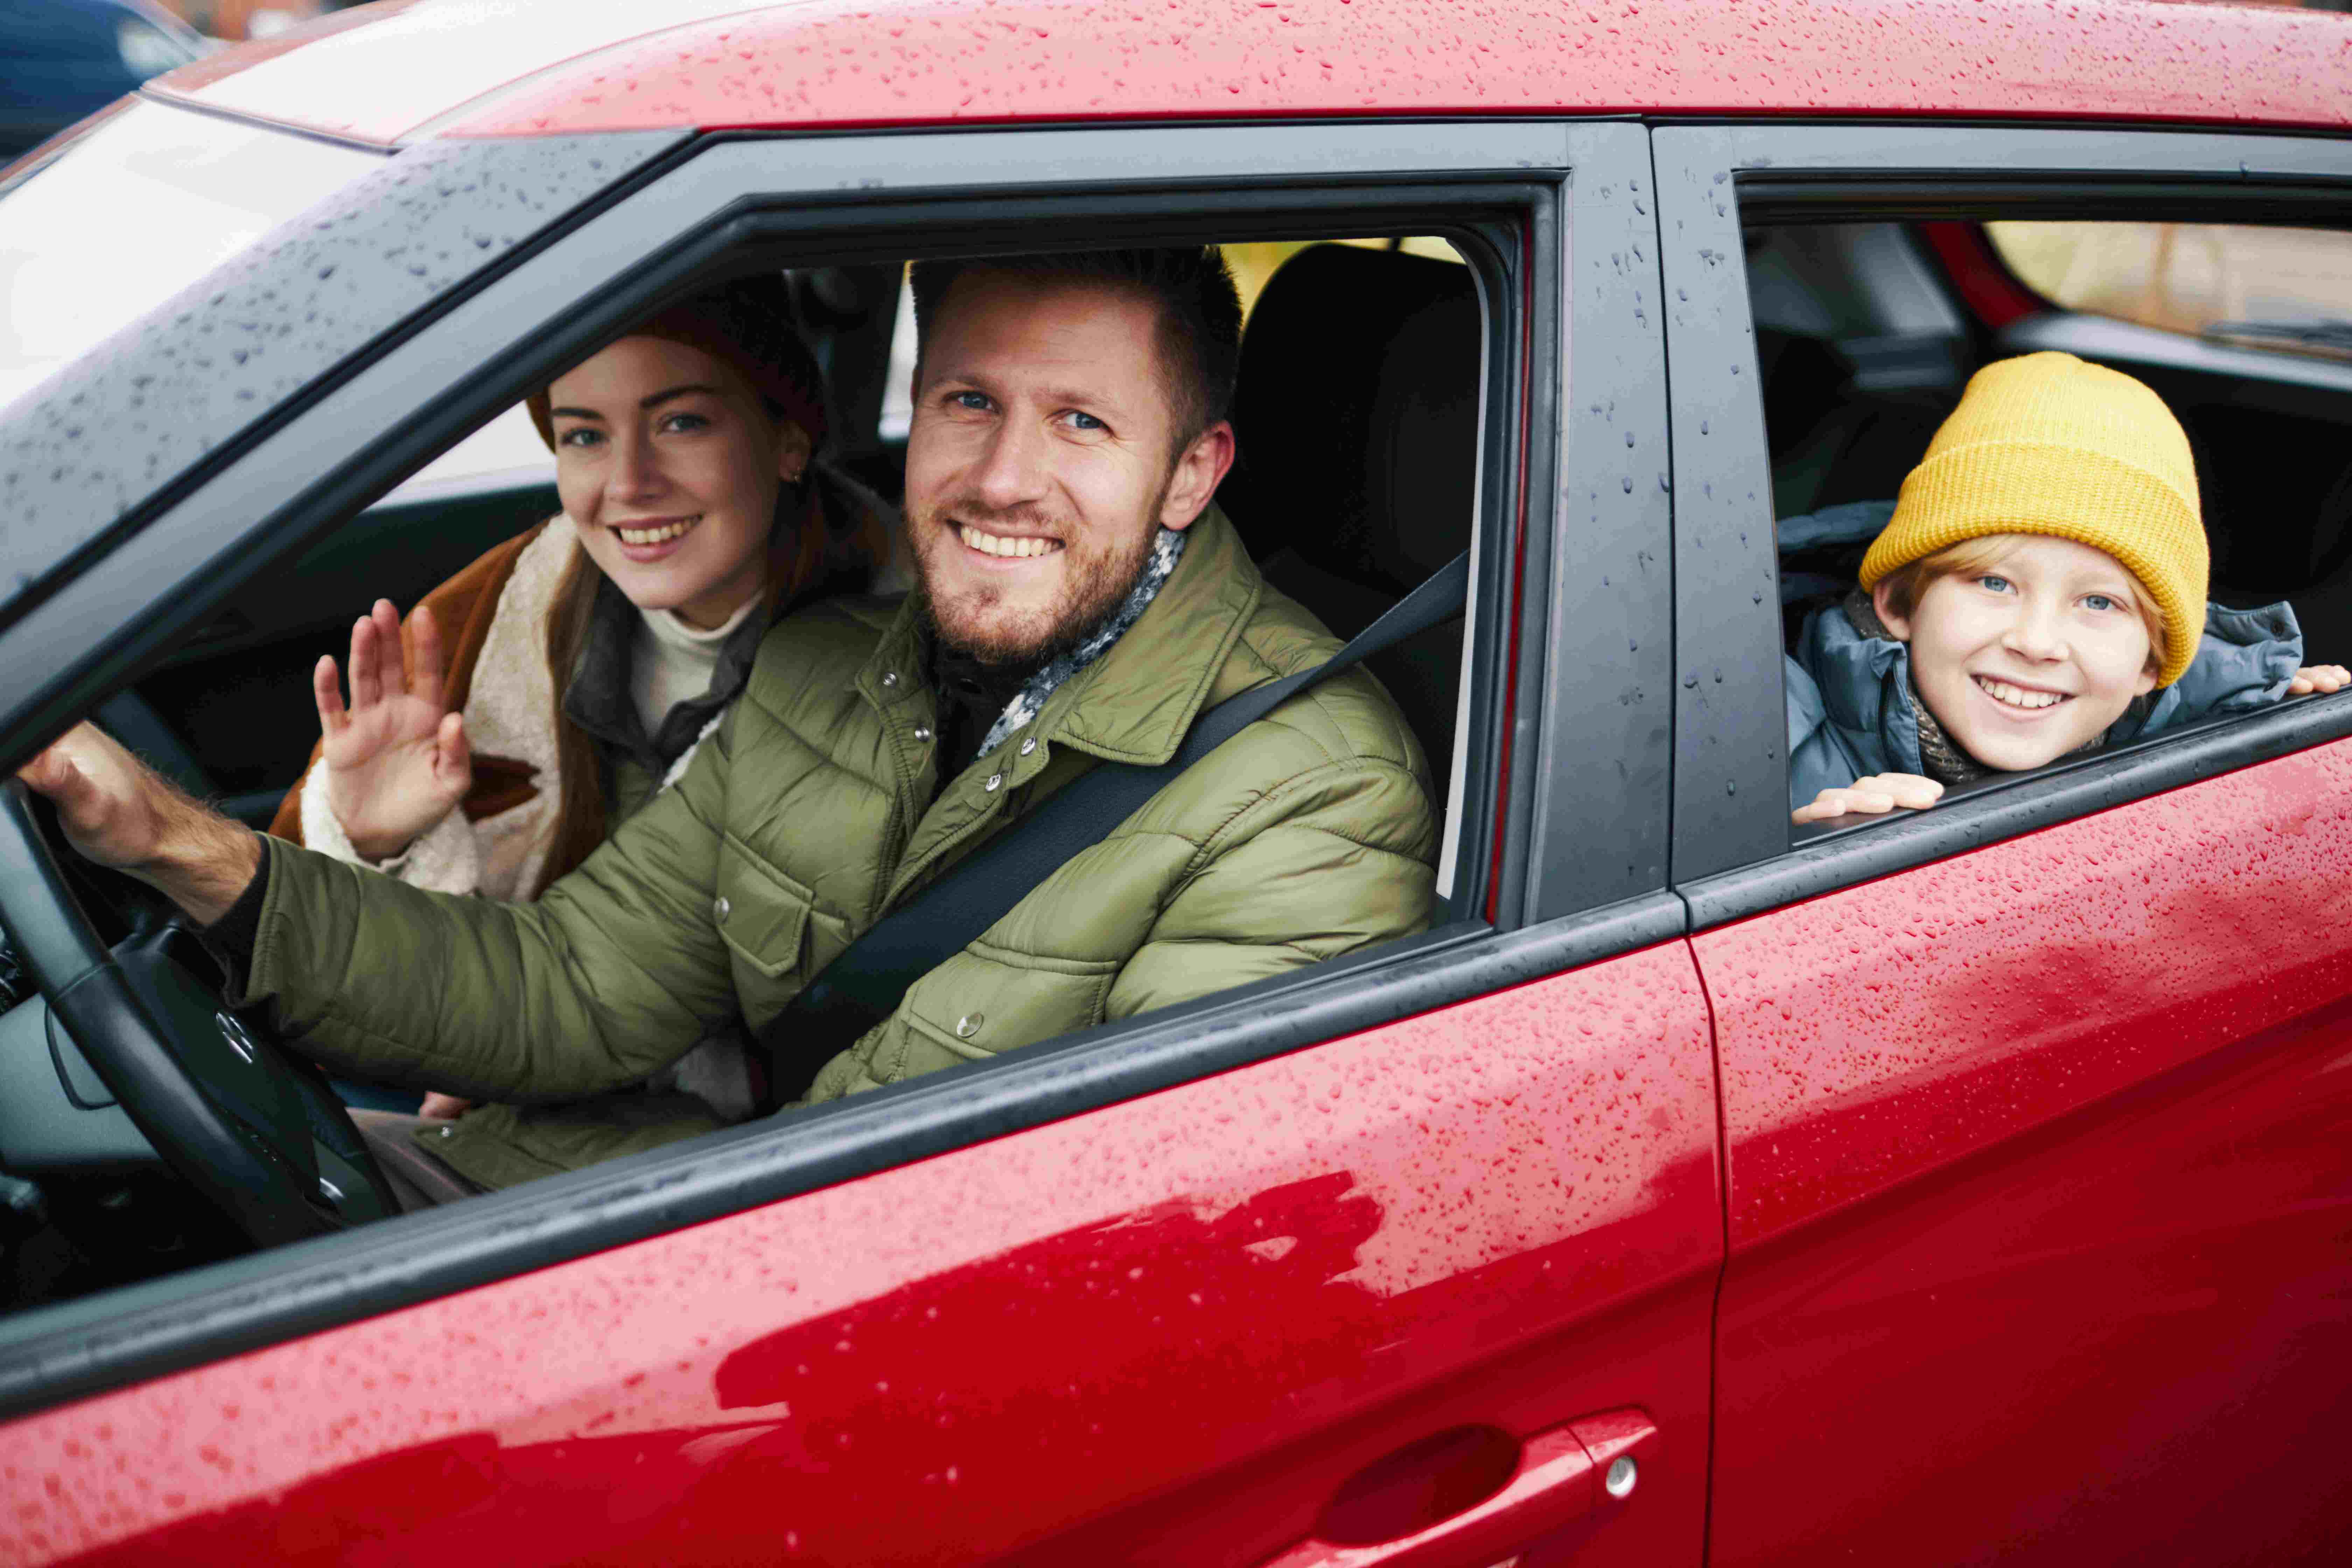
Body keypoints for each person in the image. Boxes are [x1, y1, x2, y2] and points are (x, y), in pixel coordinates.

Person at [19, 247, 1438, 1206]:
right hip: (688, 1221)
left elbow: (1140, 1238)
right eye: (968, 403)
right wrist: (172, 844)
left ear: (1192, 472)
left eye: (1081, 423)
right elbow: (568, 987)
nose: (1003, 477)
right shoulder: (833, 667)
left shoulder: (1308, 792)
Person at [268, 277, 895, 1154]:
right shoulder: (497, 614)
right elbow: (308, 954)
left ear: (789, 439)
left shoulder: (909, 653)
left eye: (682, 422)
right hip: (536, 1080)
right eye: (585, 436)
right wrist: (377, 845)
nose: (629, 483)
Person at [1786, 351, 2350, 825]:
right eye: (1995, 583)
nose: (2036, 643)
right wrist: (1803, 840)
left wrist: (2264, 713)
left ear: (2152, 664)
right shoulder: (1770, 747)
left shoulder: (2202, 732)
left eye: (2099, 602)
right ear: (1899, 603)